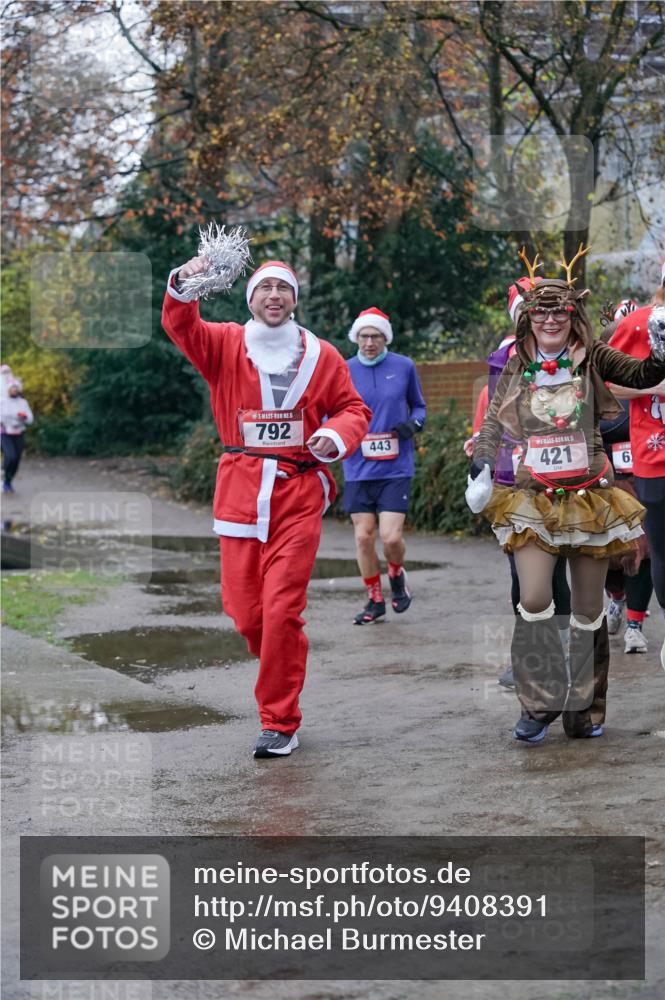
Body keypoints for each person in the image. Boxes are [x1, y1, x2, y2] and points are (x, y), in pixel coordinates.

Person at [162, 255, 370, 758]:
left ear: (295, 299)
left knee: (281, 610)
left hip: (298, 492)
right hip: (239, 492)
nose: (274, 295)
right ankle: (282, 659)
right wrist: (184, 282)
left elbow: (352, 409)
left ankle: (279, 720)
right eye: (265, 288)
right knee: (245, 614)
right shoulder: (225, 343)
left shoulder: (322, 356)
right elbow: (180, 323)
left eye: (283, 288)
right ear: (250, 298)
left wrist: (332, 436)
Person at [468, 245, 665, 743]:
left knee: (586, 610)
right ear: (528, 319)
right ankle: (538, 704)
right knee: (533, 600)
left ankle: (585, 709)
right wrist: (480, 467)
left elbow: (643, 376)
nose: (551, 319)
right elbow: (494, 419)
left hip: (590, 497)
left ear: (573, 315)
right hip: (535, 498)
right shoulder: (518, 360)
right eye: (541, 311)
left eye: (560, 310)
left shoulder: (593, 355)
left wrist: (661, 350)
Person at [466, 279, 571, 688]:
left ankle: (561, 652)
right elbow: (489, 415)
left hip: (567, 484)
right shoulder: (502, 359)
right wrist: (481, 452)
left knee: (558, 574)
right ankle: (529, 656)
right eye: (530, 312)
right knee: (521, 577)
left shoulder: (577, 355)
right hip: (515, 484)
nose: (541, 320)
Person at [341, 307, 426, 624]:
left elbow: (419, 406)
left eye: (375, 336)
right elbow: (330, 411)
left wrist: (413, 426)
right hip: (358, 467)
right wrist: (334, 436)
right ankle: (374, 599)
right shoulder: (344, 369)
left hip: (395, 467)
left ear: (385, 337)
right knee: (363, 537)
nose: (369, 342)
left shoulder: (403, 366)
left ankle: (396, 574)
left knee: (390, 538)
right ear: (356, 338)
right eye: (363, 336)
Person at [609, 261, 665, 668]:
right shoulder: (642, 324)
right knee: (657, 549)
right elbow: (607, 382)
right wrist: (654, 384)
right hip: (655, 456)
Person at [1, 379, 33, 493]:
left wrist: (24, 418)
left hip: (19, 433)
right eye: (12, 388)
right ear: (8, 390)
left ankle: (8, 482)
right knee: (11, 456)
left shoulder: (23, 402)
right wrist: (9, 419)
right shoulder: (2, 402)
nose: (14, 390)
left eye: (16, 388)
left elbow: (30, 419)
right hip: (6, 433)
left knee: (17, 460)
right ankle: (3, 469)